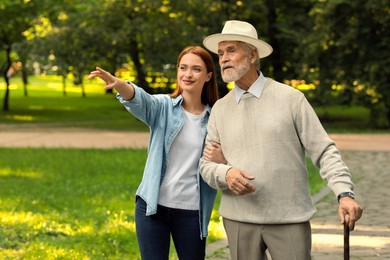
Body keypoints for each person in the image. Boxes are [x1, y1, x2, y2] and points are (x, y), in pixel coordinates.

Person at [200, 20, 363, 260]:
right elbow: (206, 165)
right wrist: (226, 174)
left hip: (289, 218)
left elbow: (324, 150)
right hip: (238, 219)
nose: (223, 58)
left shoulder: (290, 98)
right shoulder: (220, 109)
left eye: (231, 50)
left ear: (253, 54)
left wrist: (344, 193)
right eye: (221, 52)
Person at [88, 46, 224, 260]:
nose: (187, 74)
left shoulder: (216, 119)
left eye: (196, 69)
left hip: (192, 212)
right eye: (183, 67)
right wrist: (120, 85)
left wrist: (221, 159)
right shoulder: (163, 107)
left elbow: (226, 159)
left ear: (208, 76)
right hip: (152, 209)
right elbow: (139, 99)